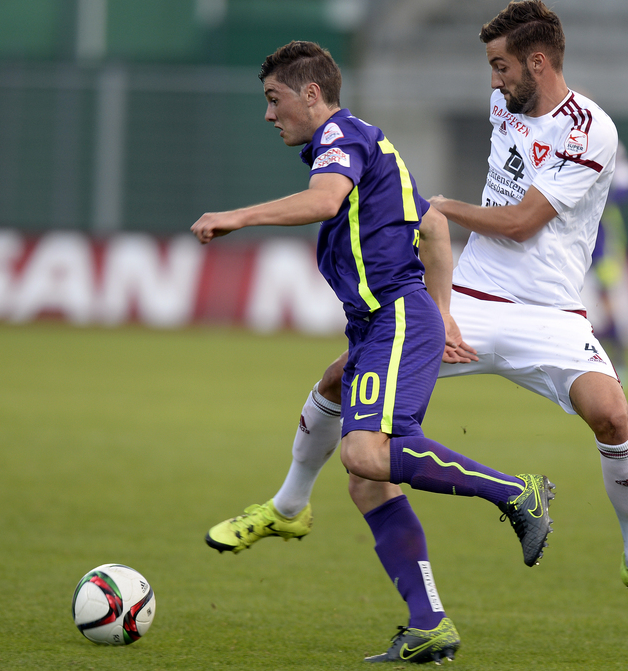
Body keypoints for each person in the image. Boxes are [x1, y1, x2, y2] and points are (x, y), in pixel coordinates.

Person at [207, 0, 628, 630]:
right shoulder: (506, 104)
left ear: (538, 62)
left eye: (502, 67)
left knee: (612, 413)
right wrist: (442, 286)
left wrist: (439, 205)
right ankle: (287, 504)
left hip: (552, 314)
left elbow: (520, 224)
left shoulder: (592, 131)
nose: (493, 81)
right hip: (470, 296)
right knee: (339, 381)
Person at [192, 40, 555, 664]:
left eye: (274, 100)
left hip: (392, 316)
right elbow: (435, 225)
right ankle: (427, 621)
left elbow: (323, 203)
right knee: (363, 473)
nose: (268, 114)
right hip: (382, 322)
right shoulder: (367, 145)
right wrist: (442, 313)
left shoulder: (344, 139)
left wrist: (238, 216)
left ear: (311, 94)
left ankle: (515, 491)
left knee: (367, 450)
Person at [589, 142, 628, 385]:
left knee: (607, 296)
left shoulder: (606, 140)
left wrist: (603, 196)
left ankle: (619, 361)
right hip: (568, 228)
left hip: (602, 232)